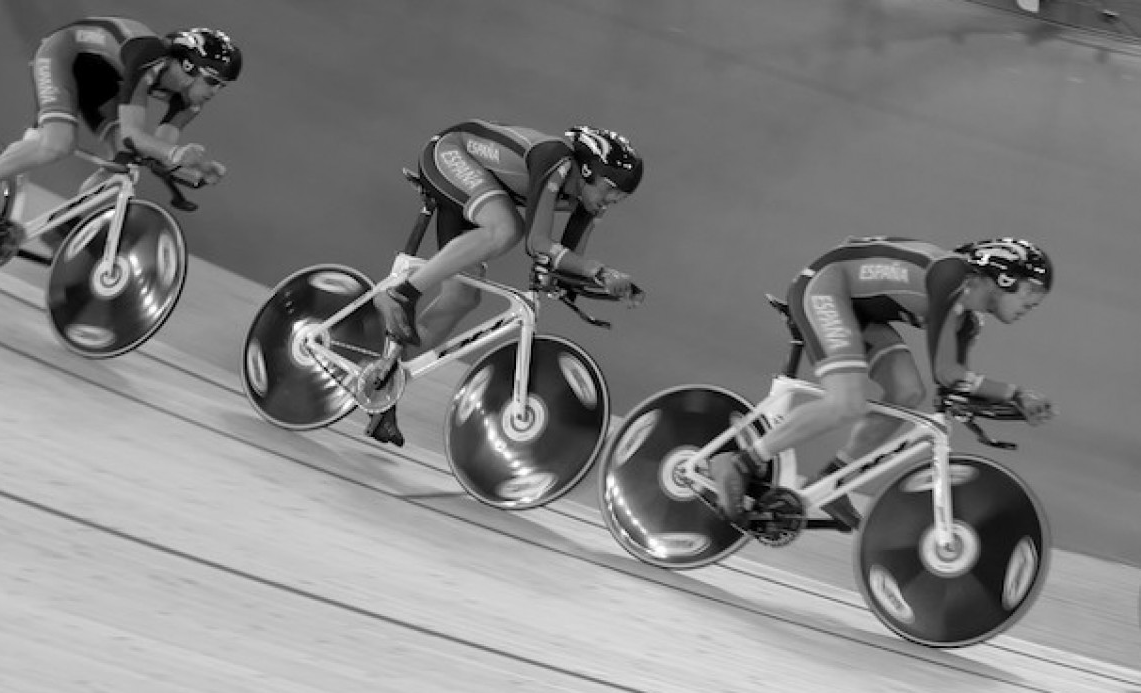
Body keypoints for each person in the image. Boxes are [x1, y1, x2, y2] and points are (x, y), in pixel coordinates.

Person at [706, 236, 1056, 530]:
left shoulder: (968, 323)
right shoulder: (951, 275)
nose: (1033, 303)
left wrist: (1010, 405)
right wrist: (1015, 393)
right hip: (827, 286)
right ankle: (737, 464)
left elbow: (954, 386)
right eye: (1032, 291)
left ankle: (835, 480)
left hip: (857, 309)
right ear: (1006, 277)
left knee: (908, 392)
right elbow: (947, 373)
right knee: (847, 402)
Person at [365, 120, 645, 447]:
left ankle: (383, 387)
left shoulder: (588, 201)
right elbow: (538, 243)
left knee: (462, 298)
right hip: (451, 153)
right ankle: (400, 294)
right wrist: (599, 271)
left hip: (478, 184)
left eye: (621, 196)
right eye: (610, 188)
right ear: (587, 173)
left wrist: (601, 285)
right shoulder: (556, 159)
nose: (613, 200)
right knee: (506, 228)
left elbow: (565, 259)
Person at [0, 17, 240, 264]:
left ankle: (67, 227)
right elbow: (136, 135)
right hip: (63, 55)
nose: (214, 92)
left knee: (126, 163)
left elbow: (157, 150)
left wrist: (195, 168)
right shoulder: (149, 57)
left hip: (102, 77)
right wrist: (175, 154)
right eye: (212, 81)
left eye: (222, 87)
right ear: (188, 67)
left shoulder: (191, 101)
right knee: (57, 144)